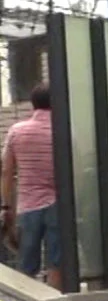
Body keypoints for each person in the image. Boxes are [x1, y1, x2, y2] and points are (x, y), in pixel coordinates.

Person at [1, 83, 60, 289]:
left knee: (26, 265)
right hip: (58, 206)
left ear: (33, 104)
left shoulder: (16, 132)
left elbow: (7, 172)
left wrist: (6, 206)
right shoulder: (62, 130)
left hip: (28, 206)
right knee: (56, 265)